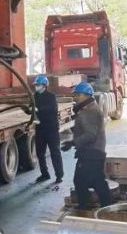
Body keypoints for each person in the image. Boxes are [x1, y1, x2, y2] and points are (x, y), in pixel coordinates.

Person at [63, 81, 111, 210]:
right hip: (93, 152)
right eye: (76, 95)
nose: (76, 97)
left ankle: (86, 206)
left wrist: (73, 142)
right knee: (95, 180)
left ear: (87, 95)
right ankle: (105, 205)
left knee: (81, 180)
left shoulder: (90, 111)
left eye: (78, 95)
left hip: (92, 153)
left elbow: (90, 135)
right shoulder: (89, 108)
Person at [33, 75, 63, 184]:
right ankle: (44, 174)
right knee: (40, 153)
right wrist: (29, 109)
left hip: (51, 129)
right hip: (40, 129)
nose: (36, 86)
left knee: (55, 152)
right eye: (36, 85)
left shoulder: (51, 96)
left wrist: (38, 109)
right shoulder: (35, 96)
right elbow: (32, 110)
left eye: (38, 85)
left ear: (44, 85)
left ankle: (59, 175)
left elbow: (52, 109)